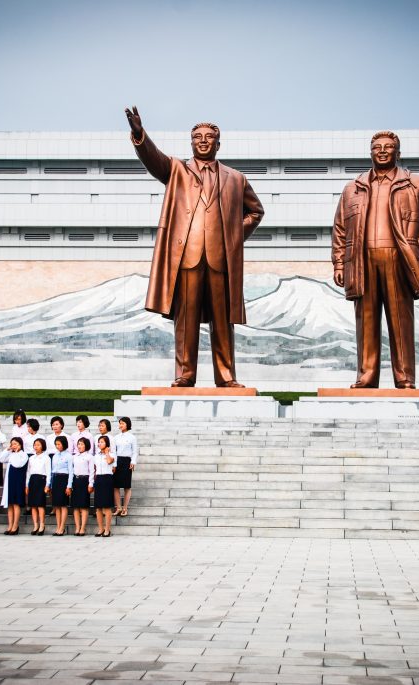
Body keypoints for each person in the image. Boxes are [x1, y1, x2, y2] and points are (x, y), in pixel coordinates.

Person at [125, 107, 264, 388]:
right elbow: (154, 160)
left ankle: (226, 376)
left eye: (208, 137)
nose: (203, 141)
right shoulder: (177, 170)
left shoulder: (236, 179)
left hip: (220, 259)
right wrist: (140, 135)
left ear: (218, 143)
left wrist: (233, 237)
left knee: (223, 321)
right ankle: (185, 374)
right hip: (187, 257)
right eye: (197, 137)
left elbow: (256, 212)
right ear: (191, 143)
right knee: (185, 320)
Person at [331, 131, 419, 389]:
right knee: (366, 322)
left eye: (388, 147)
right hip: (361, 262)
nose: (382, 150)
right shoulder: (353, 188)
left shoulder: (415, 183)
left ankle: (405, 378)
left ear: (398, 153)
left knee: (400, 321)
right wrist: (339, 263)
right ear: (370, 152)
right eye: (377, 147)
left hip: (398, 260)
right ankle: (367, 376)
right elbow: (340, 228)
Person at [0, 437, 28, 535]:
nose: (14, 446)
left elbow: (17, 464)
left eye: (15, 444)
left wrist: (15, 452)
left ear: (20, 444)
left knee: (16, 503)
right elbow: (1, 459)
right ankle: (10, 525)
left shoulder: (23, 455)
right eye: (12, 444)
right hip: (9, 480)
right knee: (10, 503)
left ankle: (15, 525)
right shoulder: (11, 454)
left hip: (18, 480)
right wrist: (7, 450)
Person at [112, 417, 138, 517]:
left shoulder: (132, 437)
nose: (120, 425)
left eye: (122, 423)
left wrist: (133, 461)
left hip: (127, 461)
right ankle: (118, 507)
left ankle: (125, 508)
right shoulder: (116, 437)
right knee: (116, 486)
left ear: (127, 424)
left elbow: (135, 451)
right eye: (120, 423)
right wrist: (114, 464)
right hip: (117, 461)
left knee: (127, 486)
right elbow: (113, 451)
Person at [68, 437, 93, 536]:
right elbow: (71, 471)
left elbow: (91, 471)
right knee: (75, 507)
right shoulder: (74, 456)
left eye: (82, 444)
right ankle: (77, 527)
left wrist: (90, 483)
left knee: (83, 506)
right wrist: (70, 485)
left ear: (86, 445)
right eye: (78, 444)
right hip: (76, 480)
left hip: (84, 480)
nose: (80, 446)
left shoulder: (89, 457)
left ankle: (83, 527)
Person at [26, 438, 51, 535]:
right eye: (35, 445)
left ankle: (42, 525)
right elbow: (28, 472)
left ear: (43, 446)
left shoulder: (46, 458)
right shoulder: (31, 458)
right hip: (32, 480)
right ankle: (35, 525)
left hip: (41, 480)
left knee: (40, 504)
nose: (36, 447)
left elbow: (48, 472)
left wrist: (47, 485)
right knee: (33, 505)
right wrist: (27, 485)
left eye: (38, 445)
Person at [93, 435, 115, 537]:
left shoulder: (112, 454)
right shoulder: (96, 455)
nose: (100, 444)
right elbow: (94, 468)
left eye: (102, 442)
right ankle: (100, 529)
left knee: (106, 507)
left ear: (107, 443)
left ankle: (107, 529)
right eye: (99, 442)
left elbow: (110, 461)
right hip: (99, 479)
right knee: (98, 507)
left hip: (107, 478)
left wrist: (106, 452)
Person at [49, 435, 71, 536]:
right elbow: (52, 470)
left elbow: (71, 471)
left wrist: (69, 486)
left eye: (59, 444)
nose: (57, 446)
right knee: (57, 505)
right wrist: (50, 484)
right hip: (56, 479)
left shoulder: (69, 456)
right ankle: (58, 526)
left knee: (63, 504)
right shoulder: (55, 455)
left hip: (64, 479)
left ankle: (62, 527)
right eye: (56, 444)